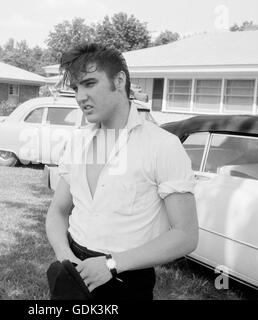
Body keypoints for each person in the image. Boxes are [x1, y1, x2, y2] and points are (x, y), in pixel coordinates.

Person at [45, 43, 198, 300]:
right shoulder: (77, 142)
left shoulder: (162, 145)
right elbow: (58, 211)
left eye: (90, 83)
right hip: (72, 270)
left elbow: (186, 235)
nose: (80, 96)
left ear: (119, 80)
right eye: (76, 88)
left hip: (126, 280)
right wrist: (64, 257)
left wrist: (112, 264)